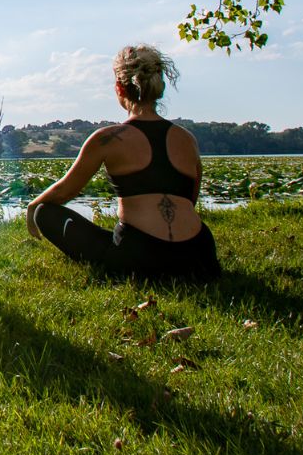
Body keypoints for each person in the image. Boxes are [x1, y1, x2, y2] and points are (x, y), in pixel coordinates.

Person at [24, 44, 221, 281]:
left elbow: (66, 190)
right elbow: (191, 200)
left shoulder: (107, 139)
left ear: (119, 87)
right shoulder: (187, 139)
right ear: (161, 86)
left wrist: (33, 206)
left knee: (45, 213)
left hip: (141, 256)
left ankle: (126, 262)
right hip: (199, 254)